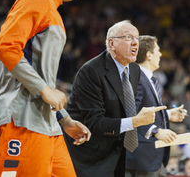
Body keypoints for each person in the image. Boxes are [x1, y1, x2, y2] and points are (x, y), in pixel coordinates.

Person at [0, 0, 91, 176]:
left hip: (45, 121)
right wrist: (44, 89)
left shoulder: (50, 8)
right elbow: (5, 46)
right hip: (21, 118)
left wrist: (65, 119)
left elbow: (41, 75)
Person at [64, 21, 166, 177]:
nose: (135, 43)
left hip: (118, 153)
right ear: (111, 43)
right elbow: (94, 122)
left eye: (137, 38)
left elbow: (127, 109)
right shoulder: (90, 72)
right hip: (90, 157)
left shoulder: (134, 69)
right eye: (128, 37)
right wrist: (135, 121)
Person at [126, 35, 187, 177]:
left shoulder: (149, 78)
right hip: (141, 158)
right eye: (158, 50)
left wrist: (169, 114)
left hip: (152, 157)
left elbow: (145, 112)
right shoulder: (138, 79)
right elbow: (130, 115)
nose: (160, 54)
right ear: (148, 55)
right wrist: (155, 131)